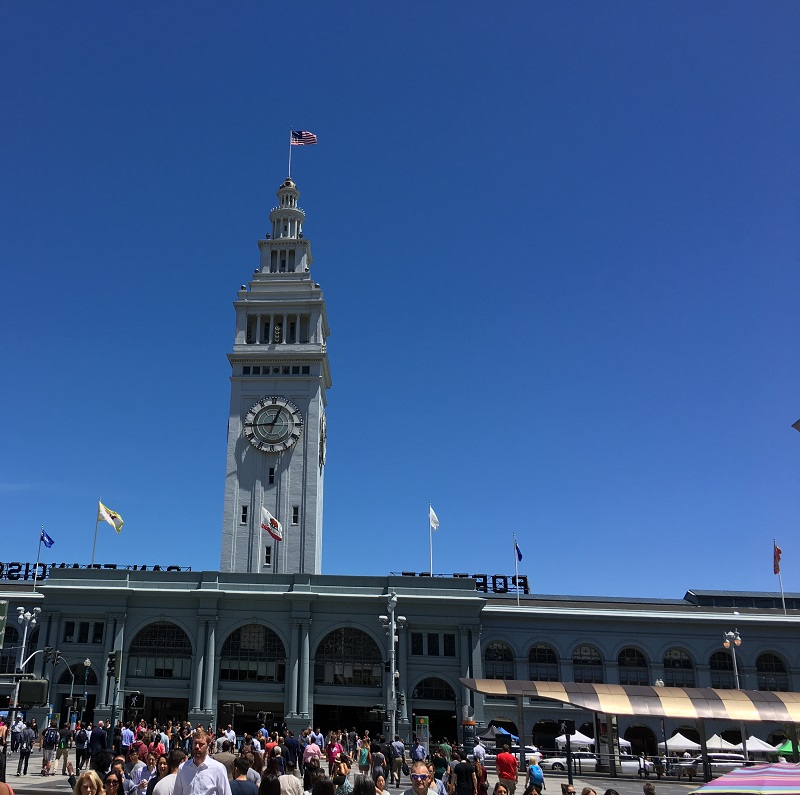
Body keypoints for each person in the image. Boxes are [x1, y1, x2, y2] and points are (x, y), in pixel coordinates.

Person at [173, 728, 232, 795]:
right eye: (195, 743)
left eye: (201, 744)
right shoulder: (183, 768)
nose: (197, 747)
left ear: (207, 746)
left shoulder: (218, 769)